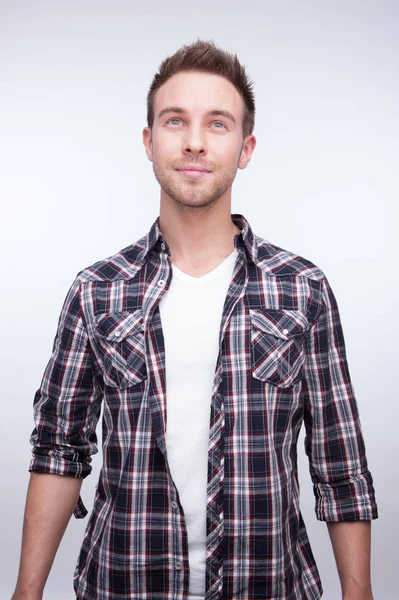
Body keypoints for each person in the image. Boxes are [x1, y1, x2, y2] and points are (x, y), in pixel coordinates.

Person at [12, 39, 378, 600]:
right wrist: (25, 592)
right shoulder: (97, 293)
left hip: (270, 586)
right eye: (175, 120)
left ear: (246, 147)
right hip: (124, 584)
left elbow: (340, 462)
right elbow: (59, 452)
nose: (193, 142)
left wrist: (360, 593)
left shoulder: (302, 291)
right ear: (149, 140)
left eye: (218, 124)